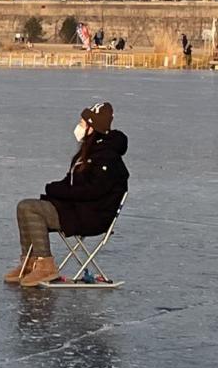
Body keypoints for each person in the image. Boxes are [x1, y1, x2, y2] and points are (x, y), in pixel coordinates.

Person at [7, 101, 128, 287]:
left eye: (82, 122)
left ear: (92, 127)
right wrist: (55, 189)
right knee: (24, 207)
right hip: (77, 209)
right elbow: (72, 183)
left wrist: (57, 191)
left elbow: (91, 191)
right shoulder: (91, 150)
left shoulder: (107, 157)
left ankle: (45, 265)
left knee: (30, 208)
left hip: (91, 216)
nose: (78, 126)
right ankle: (29, 263)